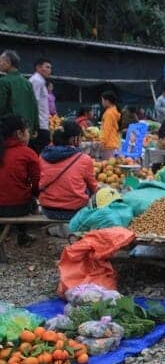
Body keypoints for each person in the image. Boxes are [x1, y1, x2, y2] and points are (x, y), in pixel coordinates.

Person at [38, 120, 98, 221]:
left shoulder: (42, 156)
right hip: (74, 211)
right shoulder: (84, 159)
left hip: (48, 210)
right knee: (89, 189)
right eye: (80, 137)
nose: (81, 140)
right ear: (72, 139)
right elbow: (93, 187)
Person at [0, 115, 40, 246]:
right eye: (27, 130)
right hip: (16, 207)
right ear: (19, 133)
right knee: (26, 197)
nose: (29, 133)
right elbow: (37, 182)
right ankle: (22, 236)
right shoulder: (27, 153)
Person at [0, 50, 39, 137]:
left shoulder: (3, 81)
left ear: (8, 62)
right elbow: (34, 107)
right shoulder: (27, 83)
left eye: (0, 61)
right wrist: (35, 127)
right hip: (26, 130)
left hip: (9, 130)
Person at [28, 58, 52, 154]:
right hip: (39, 126)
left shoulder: (40, 81)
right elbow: (33, 103)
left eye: (50, 68)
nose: (49, 70)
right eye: (47, 67)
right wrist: (34, 126)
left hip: (42, 124)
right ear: (38, 67)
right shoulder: (37, 81)